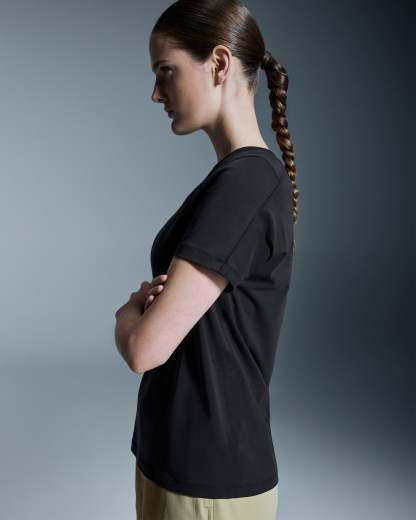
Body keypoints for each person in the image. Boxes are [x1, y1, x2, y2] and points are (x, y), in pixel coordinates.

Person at [114, 1, 299, 518]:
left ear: (218, 64)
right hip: (178, 465)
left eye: (165, 71)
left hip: (208, 484)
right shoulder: (237, 180)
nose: (156, 93)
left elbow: (144, 350)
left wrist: (127, 315)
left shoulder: (247, 184)